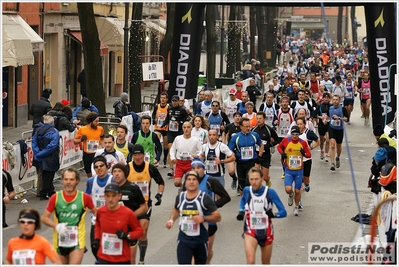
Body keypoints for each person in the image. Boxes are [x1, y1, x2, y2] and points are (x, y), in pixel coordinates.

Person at [41, 168, 96, 264]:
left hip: (77, 240)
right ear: (62, 180)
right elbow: (44, 218)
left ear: (77, 181)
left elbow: (97, 213)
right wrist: (56, 226)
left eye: (71, 179)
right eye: (66, 179)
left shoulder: (84, 197)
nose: (68, 182)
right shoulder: (56, 197)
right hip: (59, 240)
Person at [165, 170, 221, 265]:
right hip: (184, 240)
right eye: (189, 179)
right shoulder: (180, 197)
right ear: (185, 182)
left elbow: (218, 217)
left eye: (194, 179)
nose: (191, 182)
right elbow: (176, 210)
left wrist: (204, 218)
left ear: (198, 182)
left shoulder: (204, 198)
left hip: (200, 241)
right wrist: (172, 219)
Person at [236, 167, 287, 264]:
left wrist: (274, 215)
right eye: (251, 179)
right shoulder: (247, 190)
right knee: (250, 261)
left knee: (265, 263)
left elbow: (283, 212)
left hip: (266, 231)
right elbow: (242, 200)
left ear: (262, 178)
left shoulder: (270, 192)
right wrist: (241, 211)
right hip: (250, 230)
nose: (254, 182)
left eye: (256, 179)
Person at [126, 144, 165, 264]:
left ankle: (141, 260)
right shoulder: (127, 168)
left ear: (143, 155)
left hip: (145, 203)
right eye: (135, 155)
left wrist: (159, 194)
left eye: (139, 154)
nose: (137, 157)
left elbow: (161, 182)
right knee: (129, 234)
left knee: (142, 231)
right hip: (129, 205)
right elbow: (118, 183)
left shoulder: (150, 168)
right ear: (132, 156)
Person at [188, 159, 231, 264]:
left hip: (209, 222)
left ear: (204, 169)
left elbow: (226, 197)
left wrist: (211, 207)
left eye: (198, 168)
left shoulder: (210, 181)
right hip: (193, 221)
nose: (196, 170)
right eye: (193, 168)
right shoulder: (188, 180)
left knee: (207, 252)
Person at [93, 183, 144, 264]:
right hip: (104, 256)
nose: (110, 199)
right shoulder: (100, 211)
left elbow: (139, 231)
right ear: (104, 196)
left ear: (119, 196)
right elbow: (98, 225)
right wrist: (96, 239)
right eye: (108, 196)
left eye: (114, 196)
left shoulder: (128, 213)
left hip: (122, 258)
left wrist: (127, 236)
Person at [111, 163, 148, 264]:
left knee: (130, 261)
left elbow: (144, 207)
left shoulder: (133, 188)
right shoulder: (110, 188)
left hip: (129, 229)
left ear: (125, 173)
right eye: (114, 172)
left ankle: (141, 260)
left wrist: (129, 217)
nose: (117, 174)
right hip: (114, 229)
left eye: (119, 171)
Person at [277, 126, 311, 216]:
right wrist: (282, 153)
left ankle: (296, 207)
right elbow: (279, 147)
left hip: (299, 171)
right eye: (293, 134)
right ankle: (290, 195)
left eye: (296, 134)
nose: (295, 136)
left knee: (297, 191)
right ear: (290, 134)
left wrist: (304, 153)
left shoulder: (302, 143)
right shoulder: (286, 141)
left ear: (299, 135)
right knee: (288, 189)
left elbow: (308, 154)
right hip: (289, 170)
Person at [85, 155, 114, 260]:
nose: (99, 168)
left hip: (111, 219)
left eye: (101, 165)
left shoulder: (113, 180)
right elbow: (86, 198)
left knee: (109, 246)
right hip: (95, 219)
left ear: (106, 167)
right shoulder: (91, 181)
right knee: (94, 246)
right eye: (96, 167)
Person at [228, 117, 264, 196]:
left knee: (249, 183)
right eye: (246, 126)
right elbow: (229, 150)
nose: (248, 128)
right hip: (240, 163)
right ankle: (244, 204)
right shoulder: (236, 137)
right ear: (241, 127)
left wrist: (259, 156)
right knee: (242, 186)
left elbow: (261, 145)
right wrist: (234, 155)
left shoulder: (254, 135)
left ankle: (251, 201)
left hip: (251, 162)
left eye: (249, 126)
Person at [32, 115, 60, 200]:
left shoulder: (38, 130)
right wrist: (41, 154)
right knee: (49, 175)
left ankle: (51, 191)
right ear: (52, 122)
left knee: (45, 174)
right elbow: (52, 146)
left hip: (40, 157)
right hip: (51, 157)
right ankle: (44, 193)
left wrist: (38, 153)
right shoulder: (54, 131)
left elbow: (34, 143)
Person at [162, 95, 189, 177]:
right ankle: (171, 168)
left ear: (178, 102)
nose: (174, 102)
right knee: (171, 149)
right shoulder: (169, 109)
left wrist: (180, 123)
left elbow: (186, 120)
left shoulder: (182, 110)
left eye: (175, 101)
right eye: (173, 101)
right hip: (171, 132)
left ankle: (178, 166)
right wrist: (163, 124)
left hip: (179, 132)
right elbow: (168, 118)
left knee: (177, 150)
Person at [170, 121, 202, 189]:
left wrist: (197, 155)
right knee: (177, 183)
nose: (186, 129)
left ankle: (186, 189)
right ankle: (183, 186)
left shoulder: (195, 140)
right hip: (180, 163)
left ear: (191, 129)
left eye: (188, 127)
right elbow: (172, 150)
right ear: (182, 129)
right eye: (184, 127)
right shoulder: (178, 138)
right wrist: (172, 157)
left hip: (190, 163)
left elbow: (201, 151)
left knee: (190, 182)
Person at [252, 112, 280, 187]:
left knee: (265, 177)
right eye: (257, 118)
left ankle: (268, 181)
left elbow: (277, 140)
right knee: (256, 175)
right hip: (256, 155)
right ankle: (257, 190)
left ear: (264, 119)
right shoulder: (253, 130)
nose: (258, 120)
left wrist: (269, 145)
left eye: (260, 118)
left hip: (266, 155)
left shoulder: (269, 129)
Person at [74, 112, 104, 178]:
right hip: (87, 154)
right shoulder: (82, 129)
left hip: (97, 154)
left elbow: (102, 139)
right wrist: (81, 140)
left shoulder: (100, 129)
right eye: (96, 121)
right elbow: (75, 141)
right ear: (91, 121)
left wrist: (104, 148)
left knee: (98, 172)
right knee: (89, 173)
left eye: (98, 121)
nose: (98, 123)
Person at [326, 95, 348, 171]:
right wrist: (325, 120)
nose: (335, 101)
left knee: (338, 146)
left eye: (336, 100)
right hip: (332, 128)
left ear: (339, 100)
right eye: (334, 100)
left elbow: (346, 119)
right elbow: (328, 116)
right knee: (332, 145)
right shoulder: (330, 108)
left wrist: (339, 118)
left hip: (340, 130)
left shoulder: (342, 108)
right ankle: (332, 163)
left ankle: (337, 157)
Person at [222, 111, 242, 192]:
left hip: (241, 152)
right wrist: (224, 144)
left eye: (239, 116)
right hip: (231, 151)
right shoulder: (229, 126)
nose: (237, 117)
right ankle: (234, 178)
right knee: (231, 171)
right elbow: (224, 133)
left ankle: (239, 187)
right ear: (233, 118)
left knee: (241, 171)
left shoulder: (243, 127)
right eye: (236, 116)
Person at [152, 92, 170, 167]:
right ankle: (157, 158)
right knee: (156, 142)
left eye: (164, 98)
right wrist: (154, 120)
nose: (162, 99)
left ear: (167, 99)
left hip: (166, 128)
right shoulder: (157, 106)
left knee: (165, 146)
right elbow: (153, 114)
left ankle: (165, 159)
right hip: (158, 127)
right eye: (161, 98)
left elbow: (169, 116)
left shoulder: (169, 107)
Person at [316, 93, 332, 162]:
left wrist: (328, 118)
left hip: (328, 125)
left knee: (328, 140)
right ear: (322, 98)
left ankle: (326, 154)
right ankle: (322, 151)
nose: (326, 99)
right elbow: (314, 115)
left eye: (327, 97)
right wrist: (321, 117)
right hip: (321, 125)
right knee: (322, 140)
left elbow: (333, 114)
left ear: (329, 99)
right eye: (325, 97)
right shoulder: (319, 106)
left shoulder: (331, 106)